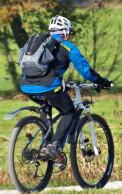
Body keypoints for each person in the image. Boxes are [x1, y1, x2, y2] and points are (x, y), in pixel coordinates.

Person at [19, 15, 112, 160]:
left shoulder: (38, 43)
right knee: (68, 111)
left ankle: (46, 145)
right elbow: (86, 71)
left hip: (26, 86)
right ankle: (53, 145)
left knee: (46, 106)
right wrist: (102, 81)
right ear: (66, 32)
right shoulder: (67, 47)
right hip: (49, 86)